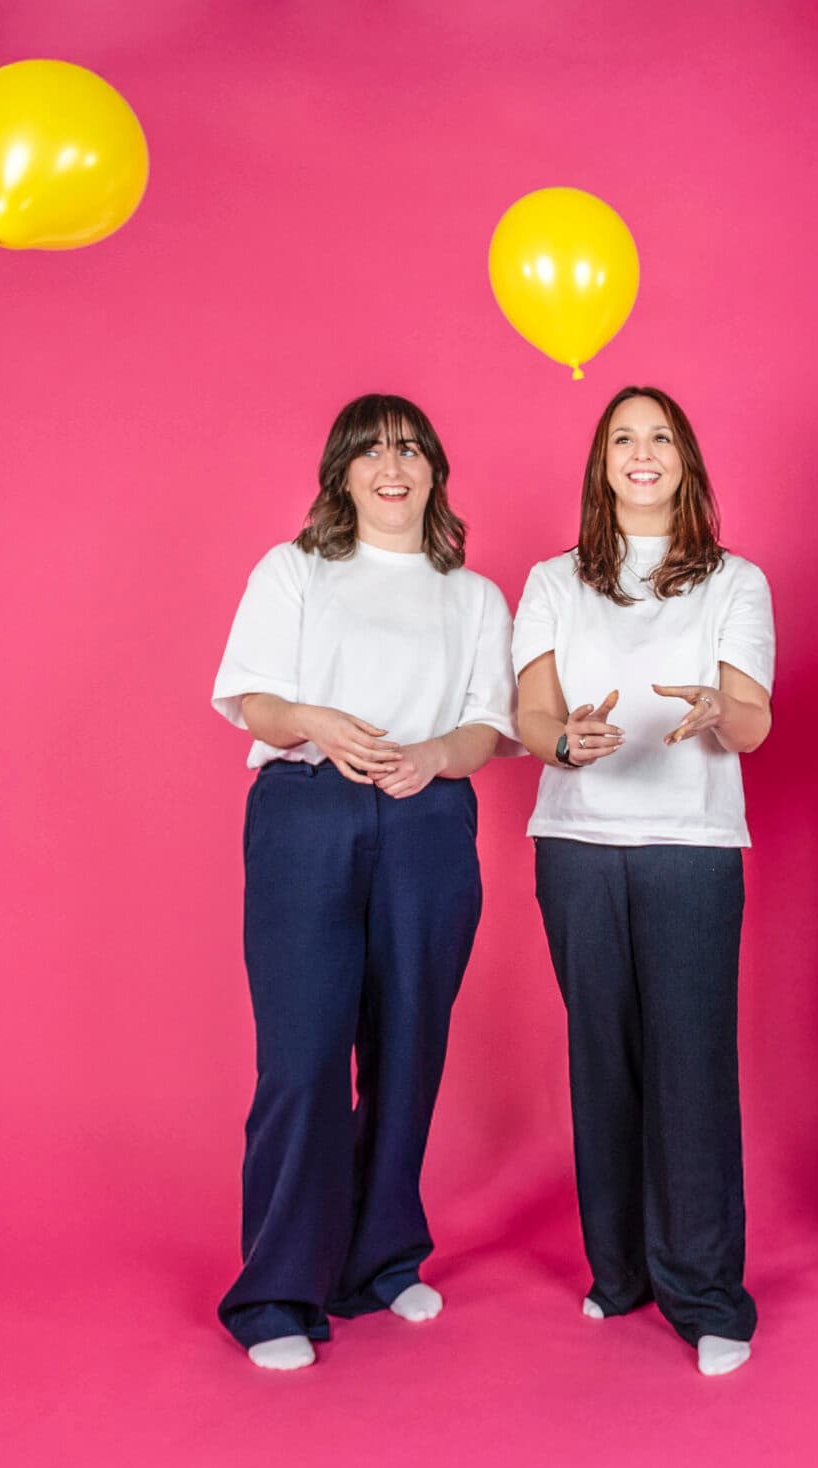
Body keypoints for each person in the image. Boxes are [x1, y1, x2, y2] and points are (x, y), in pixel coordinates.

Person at [209, 394, 517, 1370]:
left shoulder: (471, 595)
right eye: (372, 452)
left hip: (427, 818)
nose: (394, 467)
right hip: (307, 813)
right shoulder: (294, 570)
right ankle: (276, 1289)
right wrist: (310, 720)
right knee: (302, 1058)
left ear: (435, 469)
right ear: (341, 472)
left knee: (408, 1047)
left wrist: (433, 754)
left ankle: (378, 1257)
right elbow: (249, 697)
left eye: (412, 450)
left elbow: (488, 727)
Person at [512, 385, 775, 1378]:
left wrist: (714, 706)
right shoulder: (550, 582)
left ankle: (704, 1293)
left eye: (658, 435)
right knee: (601, 1060)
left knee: (690, 1066)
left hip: (690, 847)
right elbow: (533, 716)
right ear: (600, 463)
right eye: (622, 436)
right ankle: (618, 1271)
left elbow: (751, 724)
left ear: (685, 460)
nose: (641, 451)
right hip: (575, 846)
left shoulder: (733, 583)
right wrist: (567, 744)